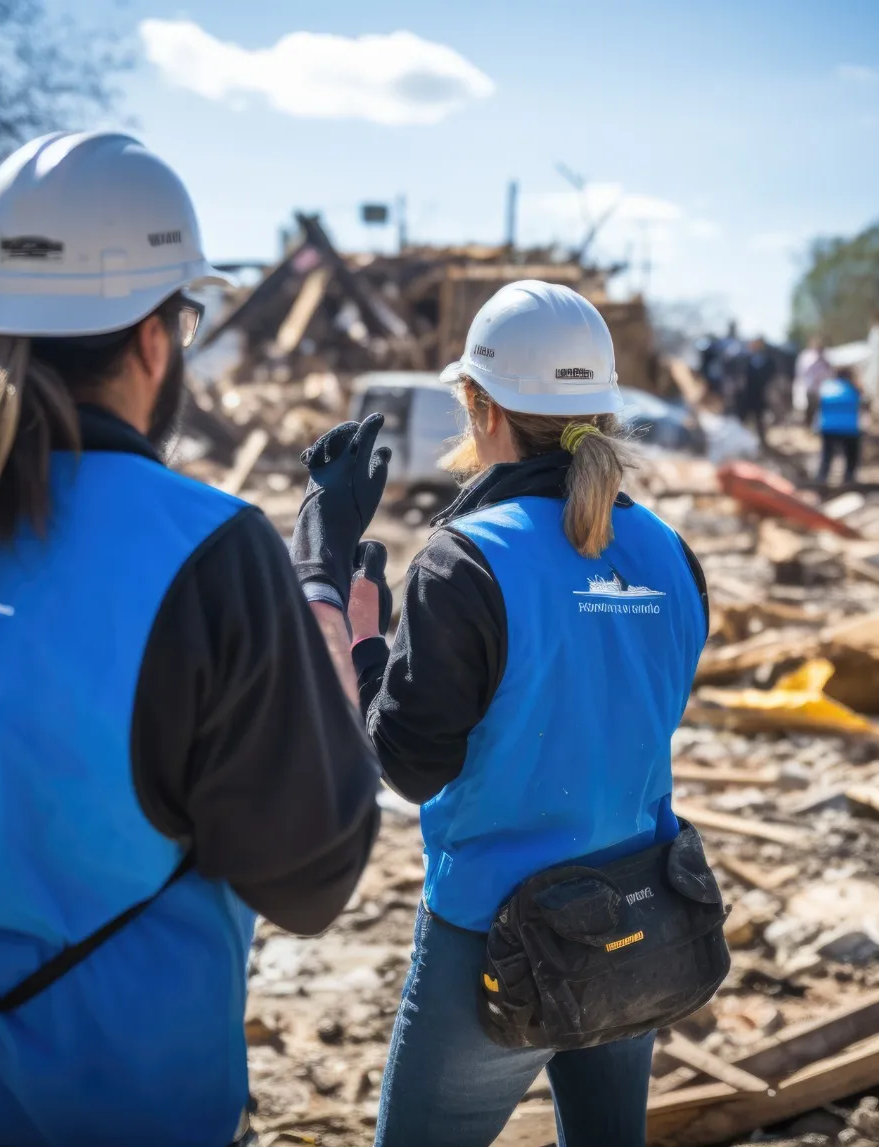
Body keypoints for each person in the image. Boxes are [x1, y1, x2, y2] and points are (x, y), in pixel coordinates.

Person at [0, 131, 382, 1147]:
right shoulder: (210, 551)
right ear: (152, 338)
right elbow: (310, 875)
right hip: (118, 1102)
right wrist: (323, 620)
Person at [355, 280, 714, 1147]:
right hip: (639, 916)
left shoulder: (465, 561)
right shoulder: (671, 553)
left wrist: (362, 641)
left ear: (479, 405)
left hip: (492, 938)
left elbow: (408, 764)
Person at [814, 363, 862, 485]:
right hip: (849, 427)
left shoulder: (827, 386)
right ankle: (849, 477)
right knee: (851, 455)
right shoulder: (853, 387)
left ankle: (822, 477)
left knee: (827, 455)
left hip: (828, 426)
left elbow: (819, 403)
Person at [735, 336, 774, 435]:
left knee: (759, 420)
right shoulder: (745, 359)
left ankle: (761, 441)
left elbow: (771, 377)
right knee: (742, 420)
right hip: (746, 396)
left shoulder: (768, 361)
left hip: (760, 396)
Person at [793, 335, 831, 427]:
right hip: (809, 387)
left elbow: (829, 372)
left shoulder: (825, 356)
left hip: (823, 389)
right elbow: (802, 371)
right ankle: (808, 426)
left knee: (820, 409)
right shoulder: (806, 356)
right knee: (810, 409)